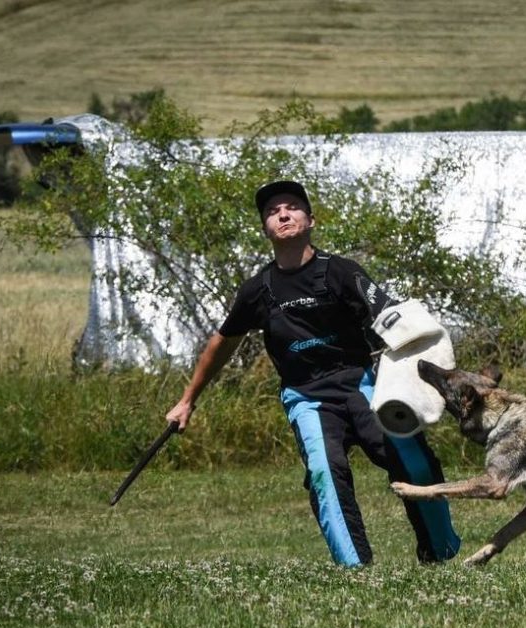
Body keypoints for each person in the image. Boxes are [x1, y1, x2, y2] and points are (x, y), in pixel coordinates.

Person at [166, 180, 461, 567]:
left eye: (292, 207)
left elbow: (392, 319)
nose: (283, 214)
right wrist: (188, 400)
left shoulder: (340, 272)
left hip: (363, 385)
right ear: (265, 229)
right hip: (307, 398)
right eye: (273, 212)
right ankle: (355, 568)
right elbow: (222, 342)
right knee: (325, 472)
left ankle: (438, 552)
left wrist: (432, 364)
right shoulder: (258, 290)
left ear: (311, 219)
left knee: (413, 457)